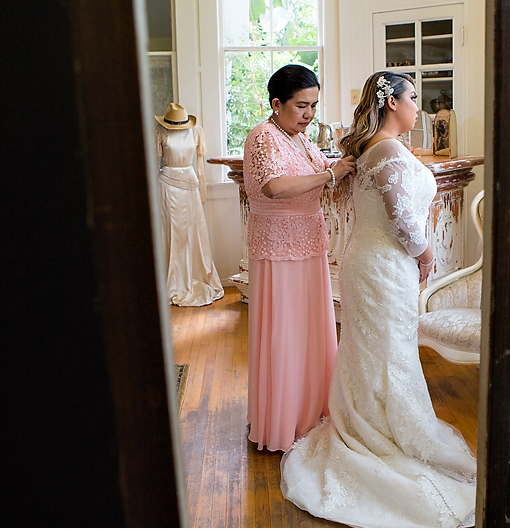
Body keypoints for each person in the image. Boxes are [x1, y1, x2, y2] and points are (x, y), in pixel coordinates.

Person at [280, 72, 477, 527]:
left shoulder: (383, 149)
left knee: (381, 353)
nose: (418, 108)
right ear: (391, 104)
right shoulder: (386, 150)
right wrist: (427, 256)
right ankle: (378, 435)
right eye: (412, 98)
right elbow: (403, 220)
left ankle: (374, 423)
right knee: (385, 353)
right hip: (381, 267)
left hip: (378, 264)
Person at [242, 64, 357, 452]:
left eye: (314, 106)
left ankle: (311, 411)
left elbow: (326, 170)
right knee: (285, 329)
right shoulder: (263, 137)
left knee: (310, 329)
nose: (309, 114)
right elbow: (273, 187)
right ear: (277, 104)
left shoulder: (302, 140)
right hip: (278, 247)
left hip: (309, 242)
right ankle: (282, 417)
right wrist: (330, 176)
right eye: (301, 106)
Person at [154, 103, 224, 307]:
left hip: (190, 184)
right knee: (171, 232)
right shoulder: (159, 131)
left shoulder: (196, 130)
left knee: (193, 231)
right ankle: (172, 280)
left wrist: (201, 188)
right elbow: (154, 161)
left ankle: (196, 275)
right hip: (167, 184)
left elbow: (199, 163)